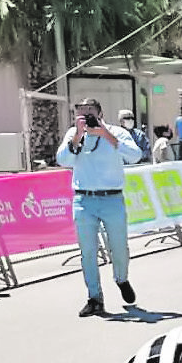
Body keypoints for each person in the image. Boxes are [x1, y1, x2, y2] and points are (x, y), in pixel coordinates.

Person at [57, 97, 141, 317]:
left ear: (101, 113)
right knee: (88, 252)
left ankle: (121, 279)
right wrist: (77, 136)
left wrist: (105, 134)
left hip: (111, 198)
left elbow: (135, 155)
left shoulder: (116, 132)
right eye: (82, 112)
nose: (86, 116)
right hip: (84, 200)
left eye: (90, 112)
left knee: (119, 247)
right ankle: (95, 297)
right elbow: (62, 159)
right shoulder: (74, 133)